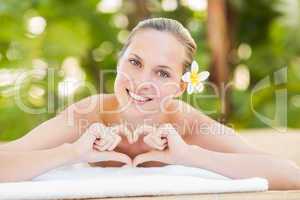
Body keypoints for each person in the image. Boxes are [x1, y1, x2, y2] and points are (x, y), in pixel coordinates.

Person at [0, 18, 299, 190]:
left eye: (162, 72)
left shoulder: (187, 124)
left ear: (180, 86)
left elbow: (289, 173)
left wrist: (191, 155)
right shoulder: (88, 114)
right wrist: (70, 152)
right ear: (118, 62)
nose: (143, 81)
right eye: (135, 62)